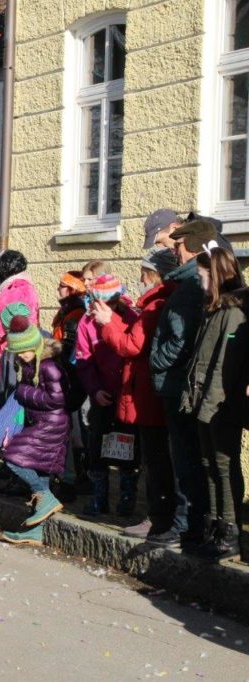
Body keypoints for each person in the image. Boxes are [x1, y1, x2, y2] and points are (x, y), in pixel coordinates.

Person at [91, 248, 184, 544]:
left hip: (149, 392)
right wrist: (111, 321)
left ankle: (157, 517)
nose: (140, 277)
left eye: (144, 271)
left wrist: (107, 323)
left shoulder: (157, 304)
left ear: (154, 274)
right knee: (154, 457)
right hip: (147, 390)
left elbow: (132, 346)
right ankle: (156, 515)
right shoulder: (156, 302)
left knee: (156, 459)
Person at [150, 219, 213, 553]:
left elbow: (181, 339)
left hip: (177, 383)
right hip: (178, 382)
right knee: (187, 455)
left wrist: (157, 360)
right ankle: (189, 522)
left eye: (176, 245)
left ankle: (186, 523)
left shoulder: (190, 285)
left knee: (186, 457)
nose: (173, 251)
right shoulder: (188, 282)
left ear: (190, 245)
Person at [182, 247, 248, 559]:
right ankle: (214, 526)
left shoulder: (233, 313)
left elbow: (224, 366)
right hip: (204, 403)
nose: (199, 282)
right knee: (209, 466)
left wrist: (210, 405)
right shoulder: (213, 310)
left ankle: (230, 533)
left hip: (222, 406)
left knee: (224, 467)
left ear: (217, 275)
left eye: (202, 276)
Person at [0, 305, 69, 545]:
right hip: (41, 421)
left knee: (13, 457)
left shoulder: (48, 366)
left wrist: (23, 392)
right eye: (18, 353)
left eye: (26, 351)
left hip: (51, 424)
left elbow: (57, 399)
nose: (22, 356)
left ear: (36, 344)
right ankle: (35, 530)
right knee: (39, 470)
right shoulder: (30, 364)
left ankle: (47, 497)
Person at [75, 274, 139, 517]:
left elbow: (134, 350)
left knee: (129, 449)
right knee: (97, 448)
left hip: (127, 396)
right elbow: (84, 360)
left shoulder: (131, 317)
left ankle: (126, 502)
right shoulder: (86, 322)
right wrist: (94, 390)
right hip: (101, 395)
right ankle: (99, 500)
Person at [0, 250, 40, 413]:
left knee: (3, 404)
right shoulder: (24, 287)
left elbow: (1, 326)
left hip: (9, 355)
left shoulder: (14, 290)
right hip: (16, 353)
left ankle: (1, 437)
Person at [51, 271, 87, 363]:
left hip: (65, 364)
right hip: (57, 355)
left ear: (73, 289)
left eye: (62, 285)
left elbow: (68, 347)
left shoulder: (76, 312)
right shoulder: (66, 308)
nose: (58, 288)